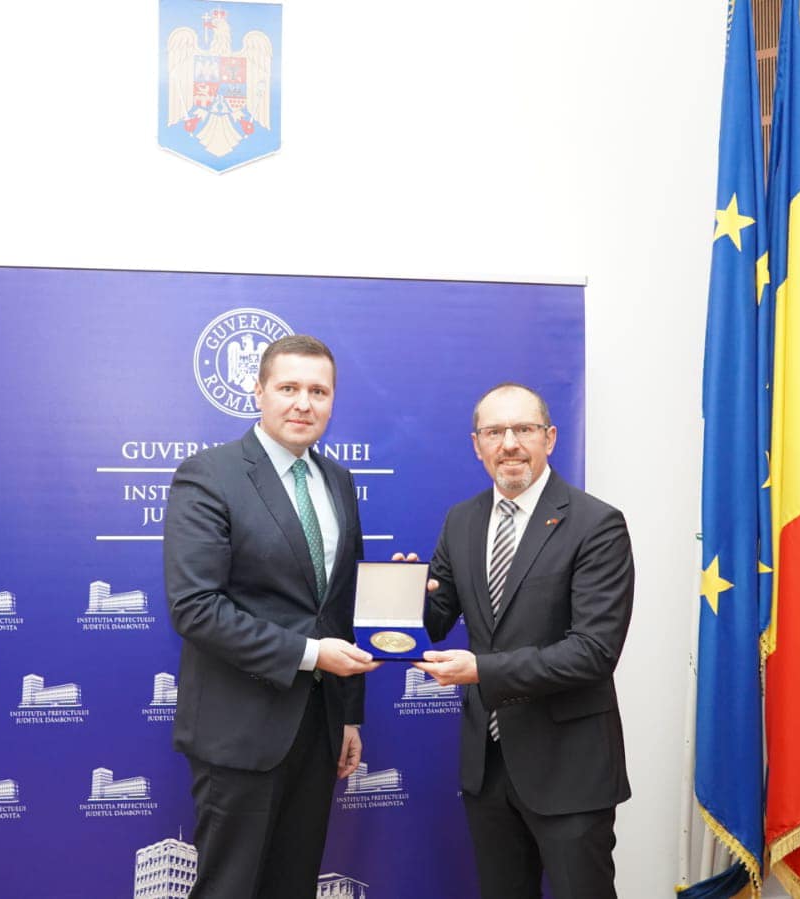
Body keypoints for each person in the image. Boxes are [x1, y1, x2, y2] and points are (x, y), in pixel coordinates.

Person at [163, 334, 379, 899]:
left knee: (294, 885)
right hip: (240, 731)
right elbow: (195, 607)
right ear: (258, 392)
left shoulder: (338, 481)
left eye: (318, 392)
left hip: (318, 730)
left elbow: (337, 607)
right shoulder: (209, 475)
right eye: (288, 388)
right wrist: (311, 655)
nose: (303, 403)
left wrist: (348, 716)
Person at [413, 381, 634, 899]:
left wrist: (481, 671)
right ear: (477, 445)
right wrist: (407, 599)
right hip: (487, 768)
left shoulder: (596, 524)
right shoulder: (461, 520)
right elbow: (436, 622)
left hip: (569, 769)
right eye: (494, 432)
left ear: (549, 438)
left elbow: (593, 653)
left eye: (523, 429)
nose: (509, 443)